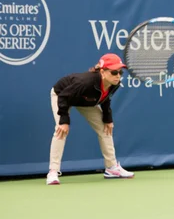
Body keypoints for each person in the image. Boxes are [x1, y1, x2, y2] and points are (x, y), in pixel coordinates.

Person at [46, 54, 135, 185]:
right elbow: (64, 97)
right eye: (114, 72)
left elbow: (105, 99)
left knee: (106, 128)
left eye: (120, 72)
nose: (118, 75)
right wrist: (64, 120)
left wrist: (108, 118)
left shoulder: (115, 83)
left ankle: (112, 168)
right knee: (61, 130)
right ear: (102, 72)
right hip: (62, 95)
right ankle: (53, 172)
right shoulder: (85, 82)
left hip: (85, 100)